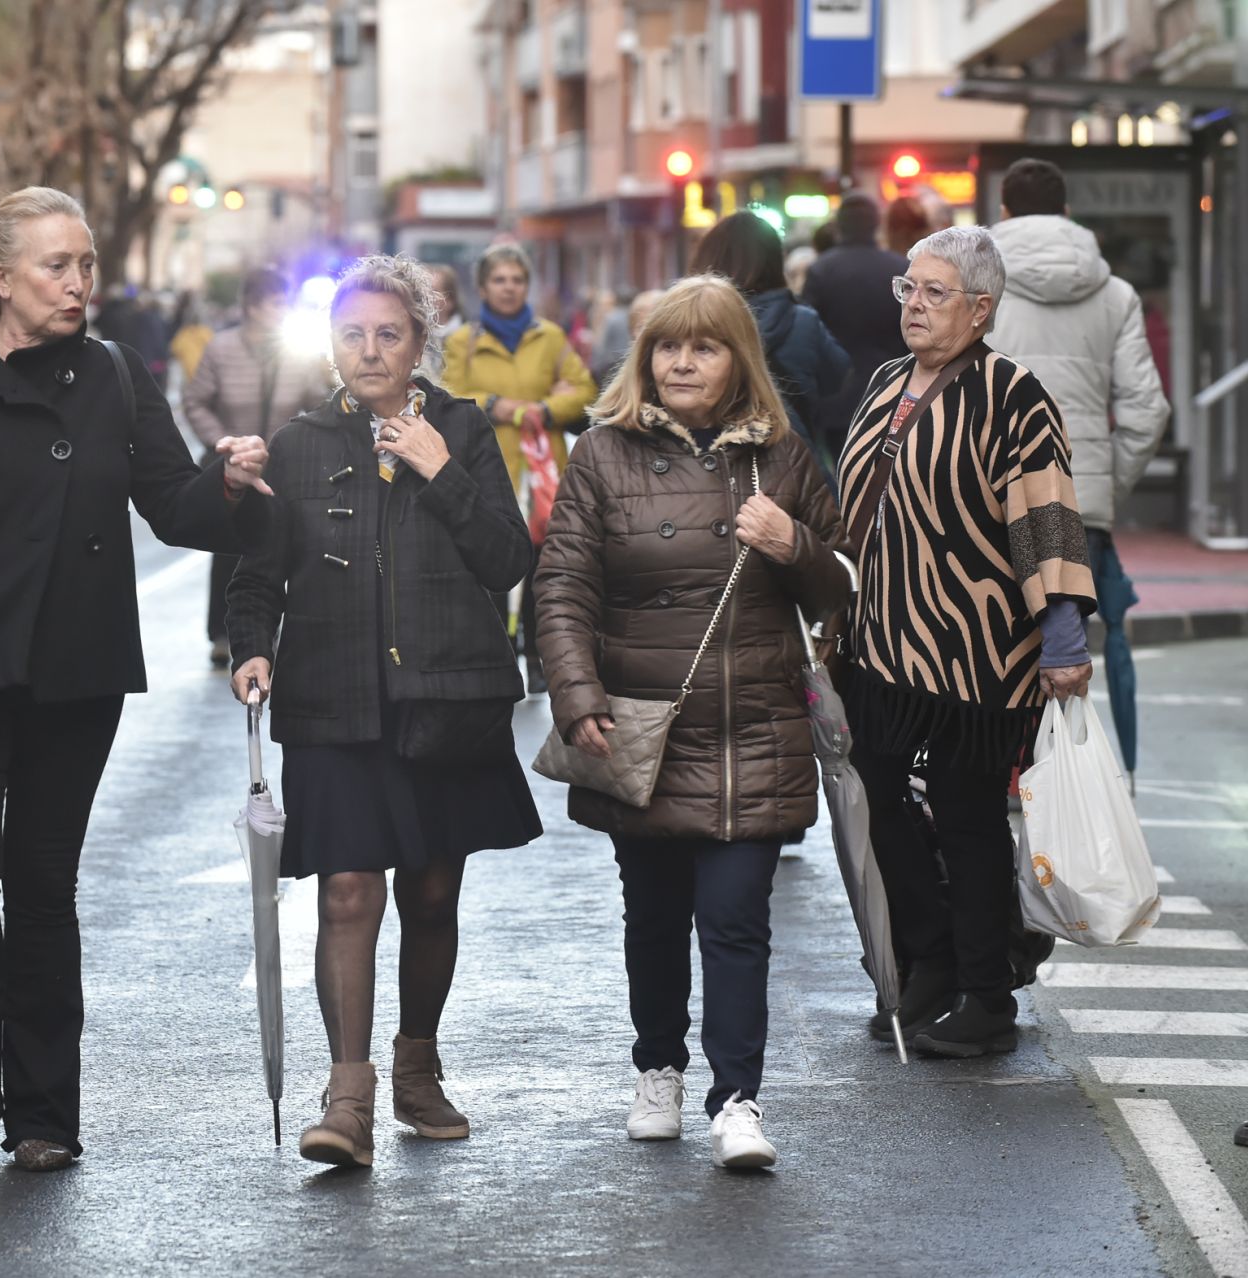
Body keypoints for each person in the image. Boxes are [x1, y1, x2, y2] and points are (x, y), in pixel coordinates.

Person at [0, 186, 272, 1176]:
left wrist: (228, 484)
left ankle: (41, 1113)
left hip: (73, 662)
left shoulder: (113, 374)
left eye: (88, 265)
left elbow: (173, 506)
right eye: (57, 266)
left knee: (39, 886)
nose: (79, 283)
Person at [225, 253, 540, 1171]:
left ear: (419, 344)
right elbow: (256, 576)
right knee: (349, 891)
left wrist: (441, 469)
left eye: (389, 334)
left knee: (433, 891)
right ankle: (347, 1095)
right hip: (334, 703)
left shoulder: (463, 429)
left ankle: (419, 1068)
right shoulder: (296, 445)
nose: (370, 351)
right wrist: (253, 647)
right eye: (353, 334)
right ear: (332, 344)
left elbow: (505, 561)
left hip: (448, 699)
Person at [534, 274, 850, 1171]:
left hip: (752, 721)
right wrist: (575, 691)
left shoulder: (783, 456)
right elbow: (561, 584)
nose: (682, 361)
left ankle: (738, 1098)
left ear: (737, 359)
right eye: (667, 346)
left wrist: (796, 546)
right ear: (645, 358)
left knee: (737, 916)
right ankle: (658, 1067)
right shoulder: (601, 455)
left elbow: (844, 586)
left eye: (704, 346)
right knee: (656, 914)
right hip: (643, 724)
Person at [839, 226, 1097, 1057]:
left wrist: (1062, 639)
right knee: (879, 793)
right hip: (882, 642)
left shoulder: (1014, 394)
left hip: (980, 651)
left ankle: (989, 995)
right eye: (907, 290)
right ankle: (931, 959)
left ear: (981, 309)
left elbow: (1048, 518)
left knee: (970, 819)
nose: (914, 305)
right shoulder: (885, 381)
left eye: (934, 293)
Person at [988, 157, 1170, 781]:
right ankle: (1056, 792)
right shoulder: (1116, 293)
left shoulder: (977, 285)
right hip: (1081, 504)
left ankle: (993, 785)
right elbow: (1146, 409)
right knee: (1063, 651)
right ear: (1067, 212)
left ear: (1004, 211)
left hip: (989, 495)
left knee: (988, 651)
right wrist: (1099, 487)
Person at [440, 243, 598, 692]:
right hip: (487, 469)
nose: (508, 288)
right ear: (483, 286)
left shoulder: (549, 337)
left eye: (517, 280)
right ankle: (497, 654)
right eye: (499, 280)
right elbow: (448, 395)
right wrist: (496, 405)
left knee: (542, 568)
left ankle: (538, 658)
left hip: (543, 472)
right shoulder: (461, 343)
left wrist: (544, 409)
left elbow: (584, 390)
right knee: (490, 565)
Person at [182, 267, 330, 666]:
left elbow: (316, 403)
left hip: (280, 467)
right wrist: (221, 445)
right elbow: (195, 400)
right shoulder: (221, 348)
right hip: (230, 464)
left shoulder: (295, 353)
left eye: (285, 303)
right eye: (276, 303)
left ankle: (270, 630)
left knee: (277, 547)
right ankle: (220, 633)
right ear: (252, 306)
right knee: (228, 551)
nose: (282, 311)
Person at [692, 211, 850, 475]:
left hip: (712, 468)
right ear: (775, 261)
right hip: (795, 469)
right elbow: (837, 376)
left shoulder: (693, 324)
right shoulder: (803, 321)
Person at [800, 192, 909, 465]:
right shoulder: (899, 268)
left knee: (841, 473)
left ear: (840, 225)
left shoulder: (821, 270)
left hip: (835, 397)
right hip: (890, 392)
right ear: (876, 224)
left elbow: (808, 332)